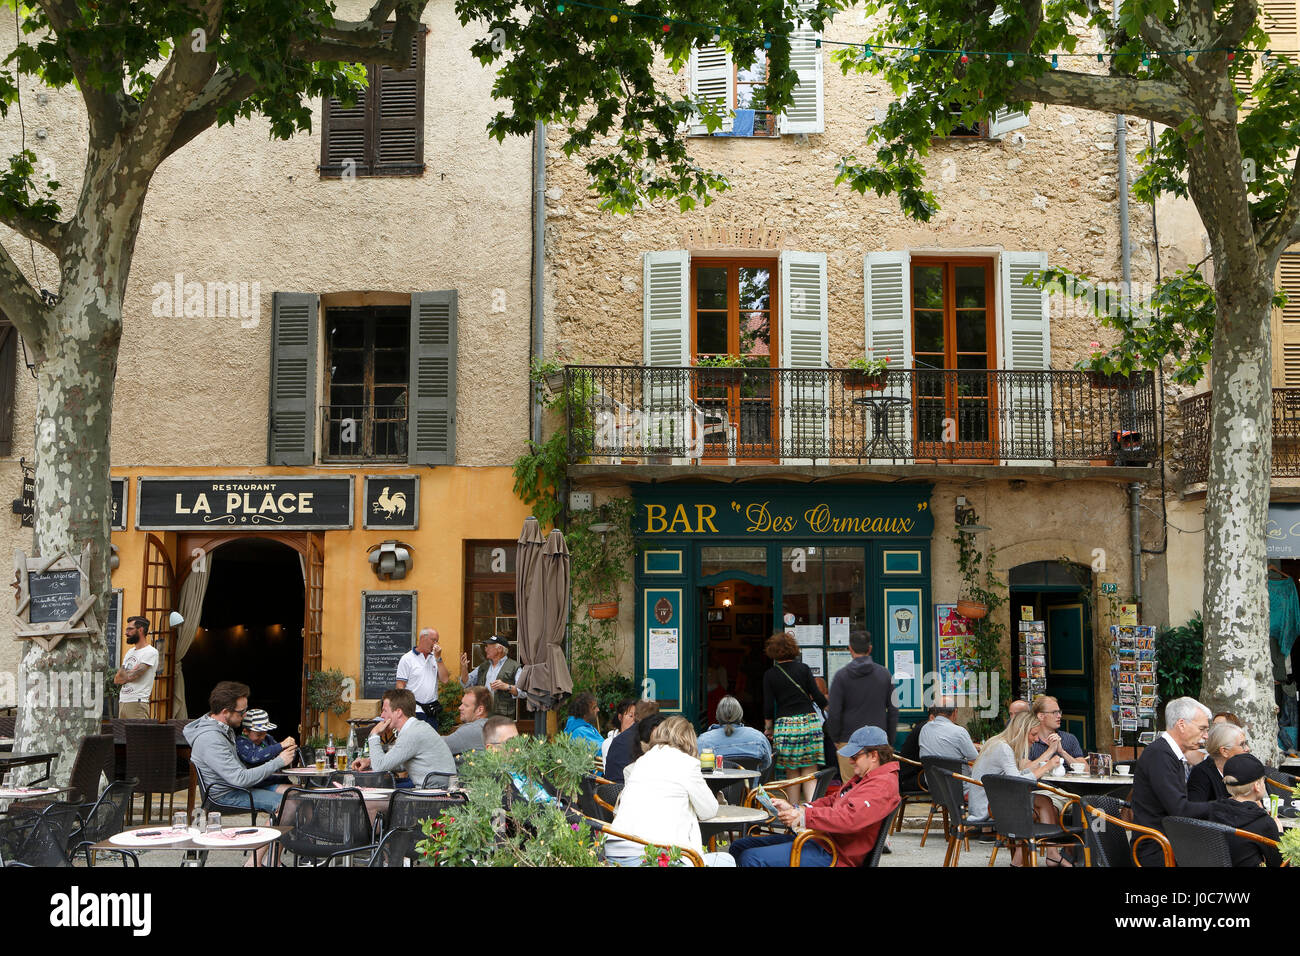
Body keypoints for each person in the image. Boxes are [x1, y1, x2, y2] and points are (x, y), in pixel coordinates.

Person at [729, 725, 901, 868]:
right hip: (823, 842)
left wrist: (804, 816)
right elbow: (831, 801)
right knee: (739, 846)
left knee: (750, 858)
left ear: (873, 756)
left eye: (855, 756)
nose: (850, 761)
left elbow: (850, 819)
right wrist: (797, 809)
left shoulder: (882, 785)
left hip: (833, 853)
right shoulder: (866, 778)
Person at [605, 716, 735, 867]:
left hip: (616, 850)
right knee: (727, 860)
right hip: (653, 855)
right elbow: (709, 810)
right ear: (689, 739)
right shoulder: (687, 763)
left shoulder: (642, 761)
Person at [968, 711, 1066, 864]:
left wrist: (1042, 763)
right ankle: (1047, 856)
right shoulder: (1003, 748)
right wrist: (1046, 767)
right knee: (1040, 805)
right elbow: (1016, 781)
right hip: (988, 809)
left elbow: (1015, 775)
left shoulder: (998, 742)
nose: (1036, 739)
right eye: (1033, 734)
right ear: (1022, 730)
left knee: (1044, 801)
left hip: (988, 803)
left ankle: (1048, 855)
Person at [185, 681, 296, 816]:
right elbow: (240, 778)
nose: (245, 716)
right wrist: (279, 761)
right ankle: (269, 836)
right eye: (241, 712)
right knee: (288, 804)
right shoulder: (211, 739)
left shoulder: (224, 729)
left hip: (239, 788)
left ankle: (283, 835)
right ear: (225, 712)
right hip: (226, 795)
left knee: (297, 796)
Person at [1131, 696, 1214, 866]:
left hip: (1172, 842)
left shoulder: (1168, 753)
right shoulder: (1160, 755)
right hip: (1157, 848)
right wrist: (1223, 806)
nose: (1206, 736)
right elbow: (1179, 808)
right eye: (1202, 728)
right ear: (1181, 725)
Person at [763, 631, 828, 802]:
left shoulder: (770, 675)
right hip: (809, 723)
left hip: (786, 726)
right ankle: (812, 813)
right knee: (809, 770)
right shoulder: (804, 669)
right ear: (793, 649)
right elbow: (818, 697)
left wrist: (769, 728)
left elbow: (768, 706)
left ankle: (793, 813)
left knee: (792, 771)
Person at [825, 629, 898, 783]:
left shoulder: (841, 676)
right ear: (869, 649)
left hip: (848, 739)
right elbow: (893, 709)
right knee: (878, 786)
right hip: (878, 740)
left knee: (850, 787)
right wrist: (889, 740)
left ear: (850, 649)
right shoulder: (884, 674)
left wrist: (836, 739)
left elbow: (834, 712)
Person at [351, 688, 455, 787]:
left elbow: (379, 767)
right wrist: (369, 762)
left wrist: (374, 735)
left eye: (385, 711)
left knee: (376, 792)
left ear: (398, 712)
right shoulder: (416, 727)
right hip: (438, 789)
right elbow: (400, 762)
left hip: (434, 795)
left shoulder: (412, 733)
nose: (382, 715)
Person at [1209, 753, 1283, 867]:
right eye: (1264, 781)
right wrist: (1279, 832)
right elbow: (1279, 863)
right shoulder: (1264, 822)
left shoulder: (1214, 811)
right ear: (1257, 786)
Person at [697, 696, 773, 771]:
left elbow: (696, 766)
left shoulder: (704, 741)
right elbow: (766, 764)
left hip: (713, 783)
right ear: (740, 714)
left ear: (717, 715)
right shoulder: (758, 738)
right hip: (749, 783)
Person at [460, 635, 524, 719]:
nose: (485, 649)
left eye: (488, 647)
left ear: (499, 649)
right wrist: (464, 667)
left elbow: (522, 692)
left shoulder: (515, 667)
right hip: (482, 713)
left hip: (502, 716)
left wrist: (507, 687)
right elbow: (466, 683)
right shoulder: (483, 666)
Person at [395, 628, 449, 727]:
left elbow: (445, 680)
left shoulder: (435, 658)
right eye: (433, 640)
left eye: (437, 641)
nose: (436, 644)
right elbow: (400, 685)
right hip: (414, 711)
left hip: (431, 710)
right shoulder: (407, 659)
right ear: (423, 638)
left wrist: (439, 659)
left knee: (431, 741)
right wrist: (404, 708)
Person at [1187, 720, 1249, 802]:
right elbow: (1195, 809)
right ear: (1224, 751)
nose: (1248, 749)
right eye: (1242, 744)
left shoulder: (1244, 770)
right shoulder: (1201, 774)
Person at [604, 699, 659, 783]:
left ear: (636, 716)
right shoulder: (645, 738)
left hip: (611, 791)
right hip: (628, 790)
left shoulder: (620, 739)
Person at [1027, 695, 1087, 771]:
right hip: (1039, 783)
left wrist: (1062, 752)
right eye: (1054, 712)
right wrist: (1051, 750)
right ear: (1041, 716)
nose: (1059, 716)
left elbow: (1086, 770)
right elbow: (1024, 771)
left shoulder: (1069, 738)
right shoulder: (1030, 740)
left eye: (1059, 712)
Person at [114, 616, 158, 719]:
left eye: (130, 629)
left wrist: (127, 674)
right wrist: (128, 673)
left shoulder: (151, 652)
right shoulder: (130, 652)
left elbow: (131, 677)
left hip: (137, 702)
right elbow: (117, 679)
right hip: (123, 700)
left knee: (137, 735)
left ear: (140, 630)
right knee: (122, 735)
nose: (126, 633)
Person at [918, 696, 978, 765]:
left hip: (931, 775)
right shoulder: (960, 732)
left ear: (935, 711)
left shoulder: (925, 729)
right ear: (955, 712)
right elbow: (975, 760)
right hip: (957, 775)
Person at [442, 686, 491, 756]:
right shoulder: (488, 725)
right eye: (462, 703)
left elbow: (437, 746)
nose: (460, 707)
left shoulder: (472, 730)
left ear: (480, 710)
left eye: (466, 705)